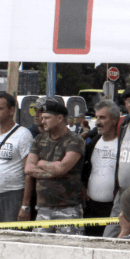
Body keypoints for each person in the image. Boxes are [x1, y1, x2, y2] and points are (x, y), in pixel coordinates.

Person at [25, 96, 85, 234]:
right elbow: (28, 168)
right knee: (40, 250)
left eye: (47, 118)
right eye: (42, 117)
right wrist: (54, 171)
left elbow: (62, 168)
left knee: (68, 250)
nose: (42, 121)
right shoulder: (39, 139)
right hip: (43, 207)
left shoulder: (75, 140)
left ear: (59, 118)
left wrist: (41, 163)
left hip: (68, 208)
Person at [0, 92, 35, 224]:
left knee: (13, 237)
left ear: (11, 111)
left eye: (0, 109)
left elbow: (29, 173)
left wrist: (25, 205)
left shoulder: (23, 134)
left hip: (14, 195)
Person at [83, 100, 122, 237]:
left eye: (103, 117)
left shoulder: (123, 143)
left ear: (114, 120)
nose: (98, 122)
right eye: (97, 117)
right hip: (91, 207)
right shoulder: (92, 143)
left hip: (114, 208)